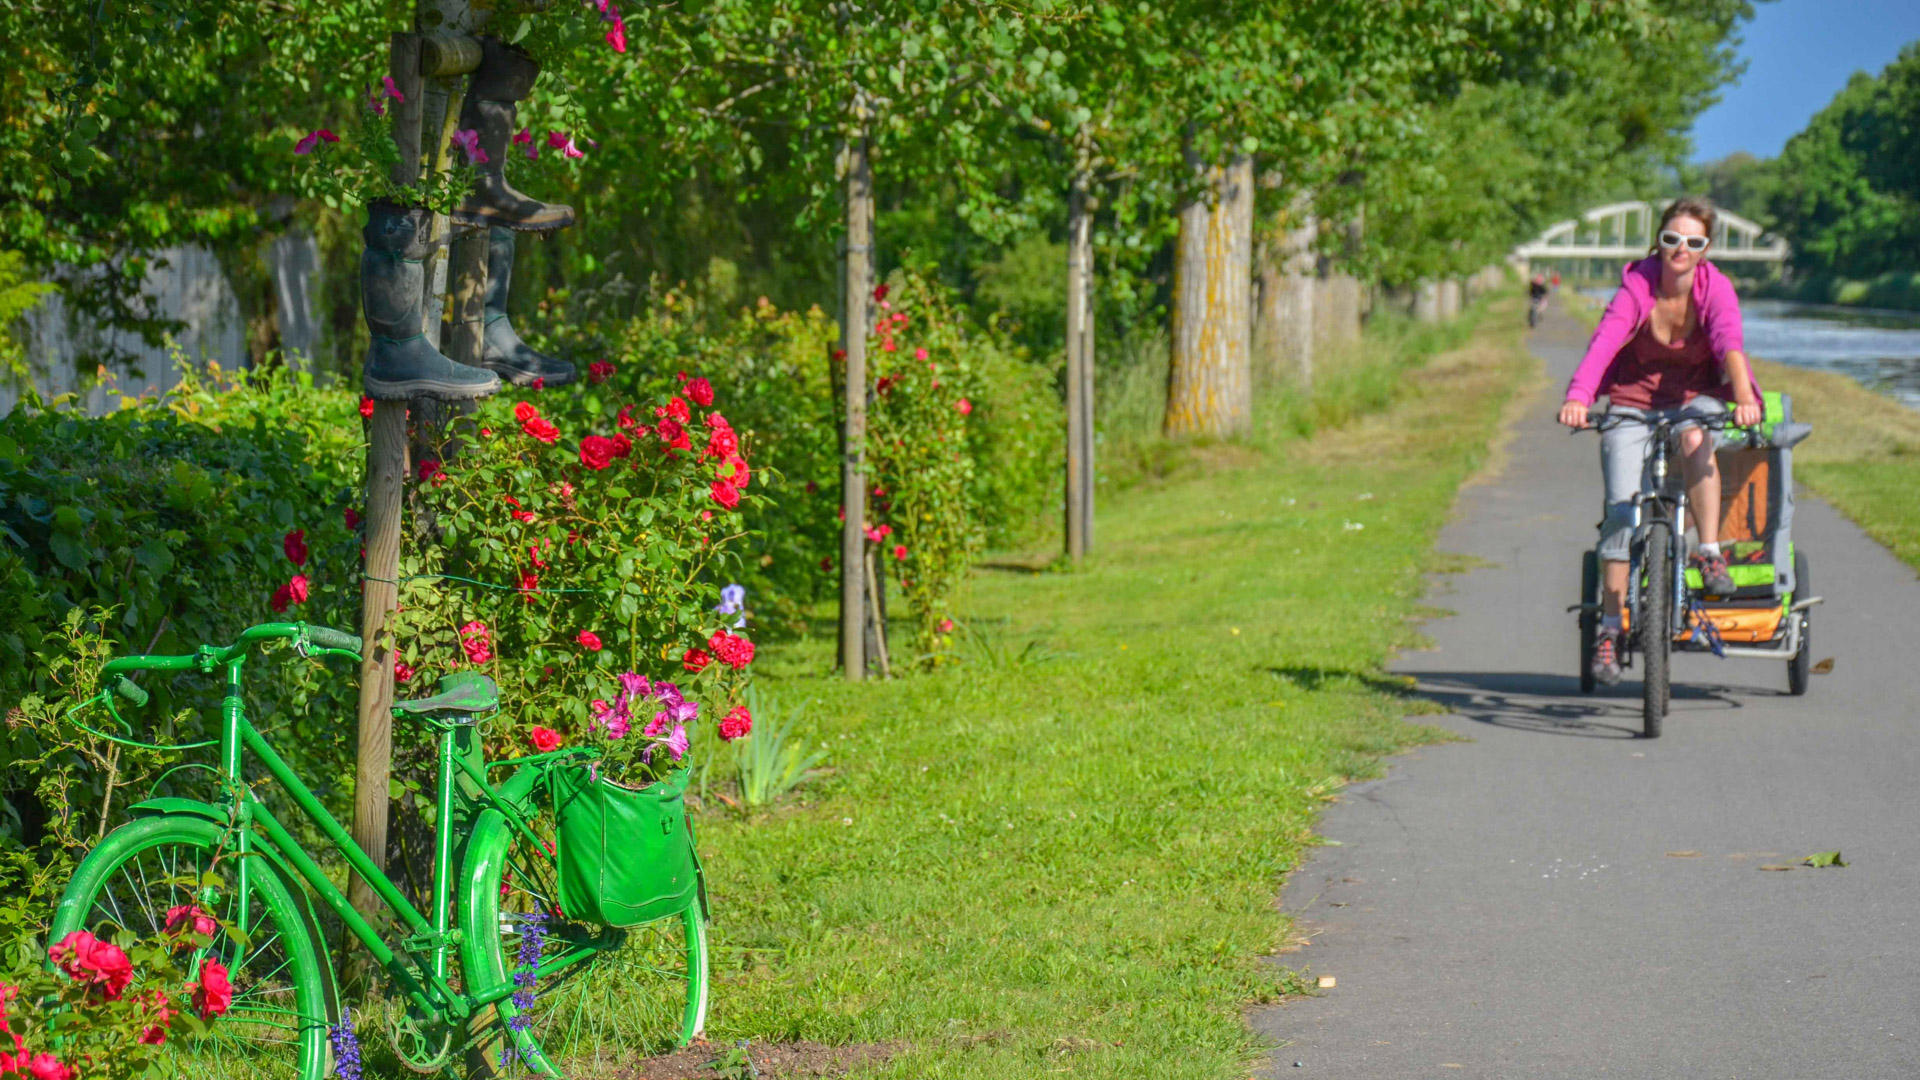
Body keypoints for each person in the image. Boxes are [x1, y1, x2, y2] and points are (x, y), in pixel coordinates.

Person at [1557, 196, 1763, 686]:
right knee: (1621, 510)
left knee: (1697, 439)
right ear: (1659, 240)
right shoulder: (1638, 283)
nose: (1681, 249)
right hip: (1633, 401)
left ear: (1706, 249)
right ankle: (1609, 629)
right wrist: (1579, 395)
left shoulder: (1716, 289)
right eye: (1672, 239)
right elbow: (1606, 339)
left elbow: (1729, 343)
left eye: (1693, 242)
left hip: (1694, 397)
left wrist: (1743, 398)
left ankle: (1708, 551)